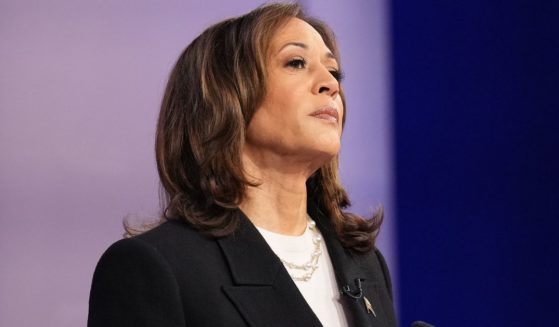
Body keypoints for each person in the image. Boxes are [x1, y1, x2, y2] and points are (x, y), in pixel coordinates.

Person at [88, 3, 396, 327]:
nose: (330, 85)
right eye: (296, 62)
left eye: (334, 72)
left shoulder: (365, 263)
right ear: (225, 98)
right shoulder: (154, 267)